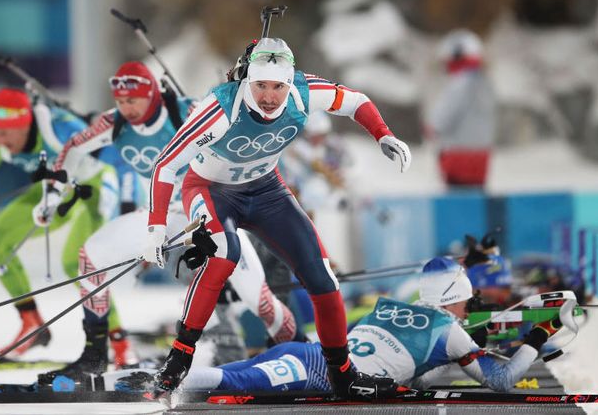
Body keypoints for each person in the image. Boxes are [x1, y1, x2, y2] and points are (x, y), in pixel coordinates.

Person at [142, 37, 412, 400]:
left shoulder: (303, 91)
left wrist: (383, 134)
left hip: (267, 189)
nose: (270, 96)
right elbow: (166, 164)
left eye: (278, 86)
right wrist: (156, 227)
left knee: (324, 278)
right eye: (261, 86)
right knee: (224, 255)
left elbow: (356, 101)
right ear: (246, 81)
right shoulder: (219, 107)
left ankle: (343, 375)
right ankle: (179, 357)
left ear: (290, 81)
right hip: (211, 189)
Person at [40, 61, 299, 383]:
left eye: (133, 100)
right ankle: (94, 356)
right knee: (89, 256)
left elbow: (245, 131)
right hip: (158, 215)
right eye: (121, 101)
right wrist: (53, 192)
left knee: (258, 300)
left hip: (208, 207)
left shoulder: (186, 110)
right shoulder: (114, 122)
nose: (127, 108)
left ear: (151, 94)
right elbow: (73, 149)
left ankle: (297, 352)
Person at [112, 257, 568, 394]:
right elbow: (503, 381)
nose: (470, 309)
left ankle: (137, 379)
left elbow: (424, 365)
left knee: (235, 378)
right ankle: (142, 387)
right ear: (454, 298)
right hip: (322, 373)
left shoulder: (391, 306)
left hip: (314, 355)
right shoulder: (452, 334)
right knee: (226, 381)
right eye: (467, 301)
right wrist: (539, 336)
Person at [0, 88, 133, 358]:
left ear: (24, 125)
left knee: (77, 261)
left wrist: (127, 204)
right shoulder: (1, 140)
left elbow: (116, 158)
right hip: (57, 190)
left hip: (95, 187)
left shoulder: (60, 129)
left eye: (5, 133)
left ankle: (119, 342)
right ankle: (32, 324)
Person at [427, 29, 496, 189]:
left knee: (458, 203)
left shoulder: (460, 83)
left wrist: (432, 128)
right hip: (482, 155)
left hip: (457, 156)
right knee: (475, 199)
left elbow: (441, 120)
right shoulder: (485, 83)